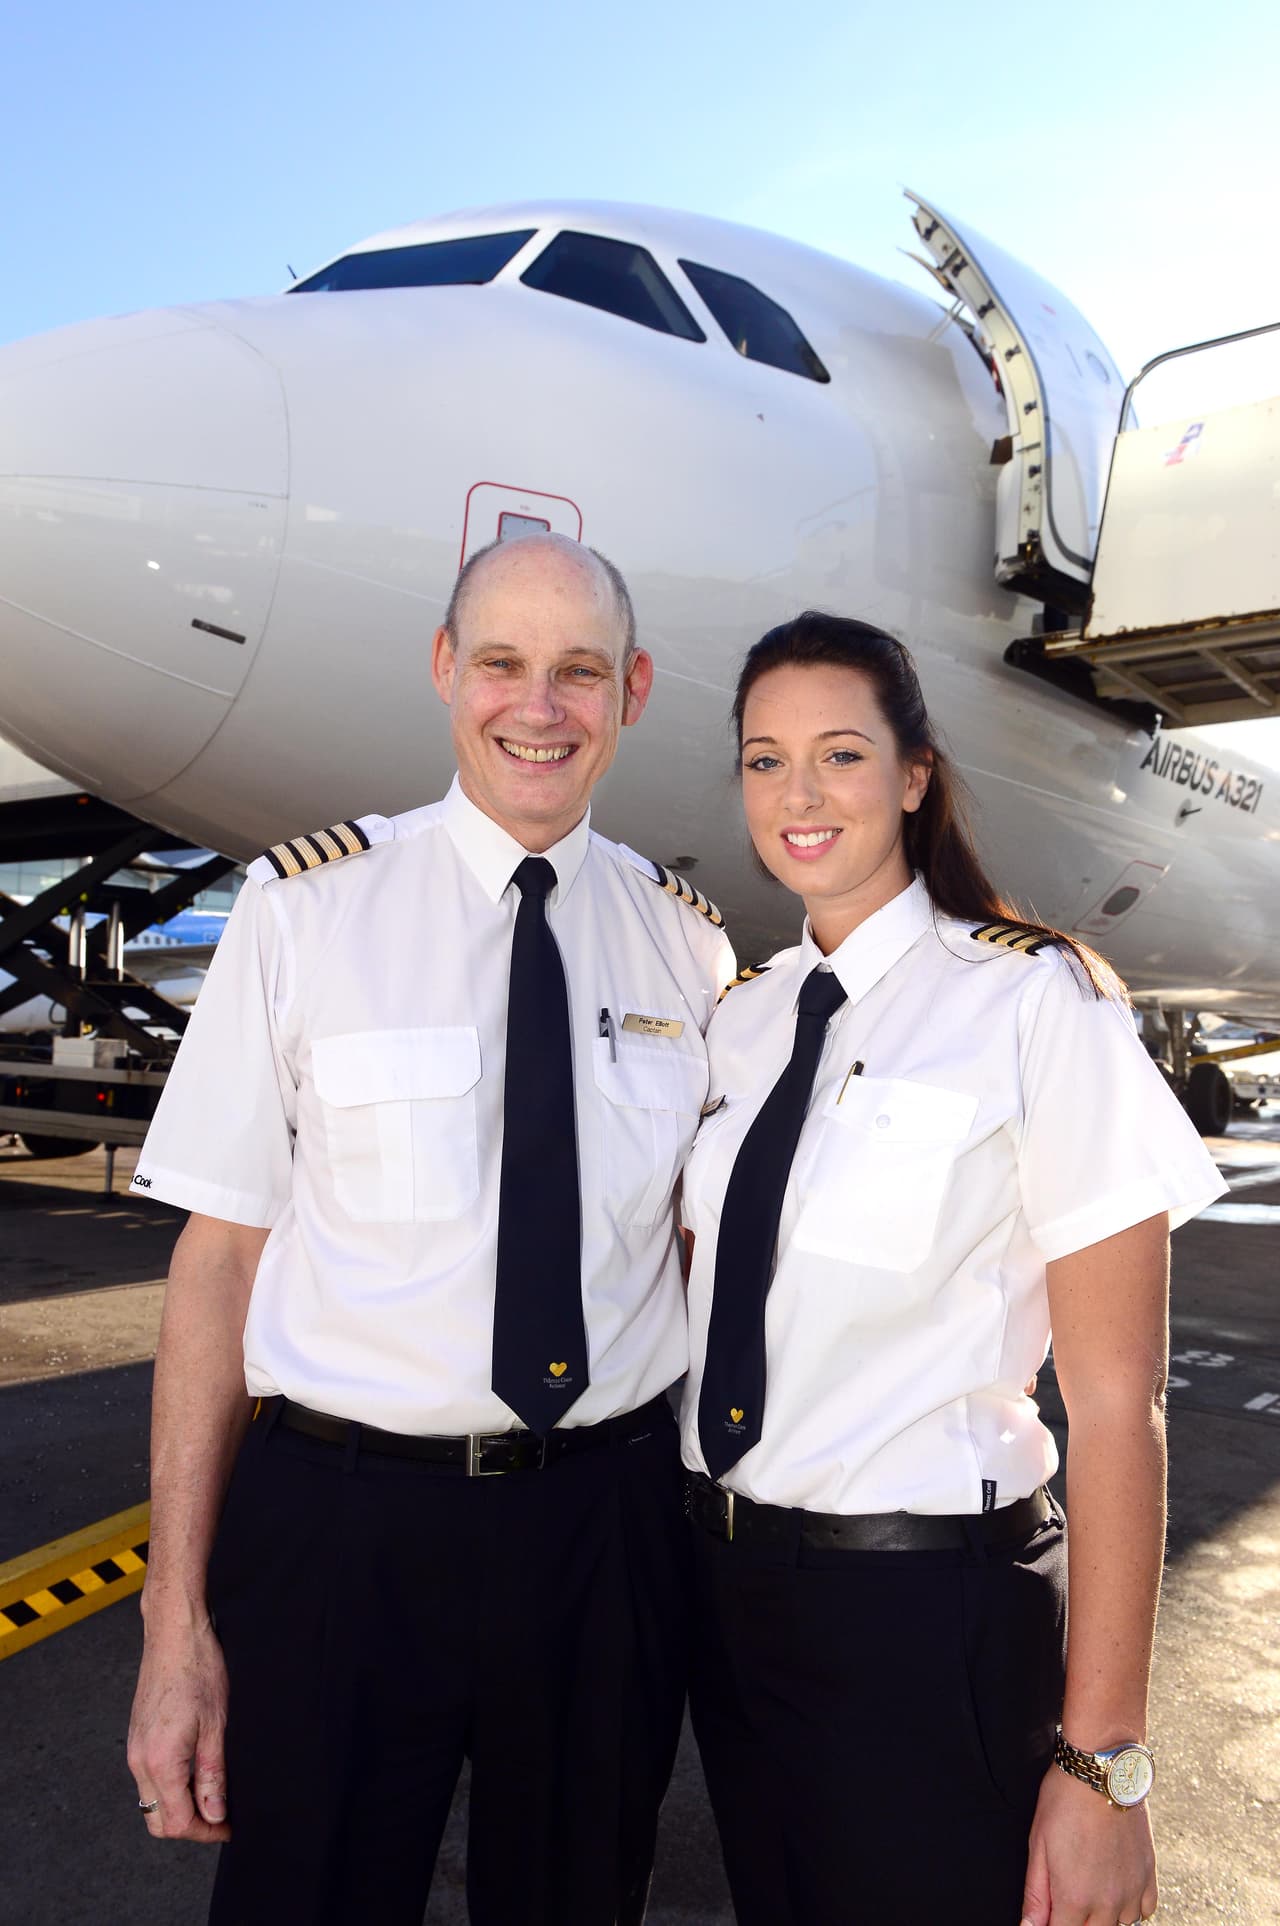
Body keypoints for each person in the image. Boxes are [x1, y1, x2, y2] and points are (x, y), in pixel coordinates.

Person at [125, 532, 735, 1926]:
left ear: (632, 689)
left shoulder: (686, 946)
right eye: (505, 664)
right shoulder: (303, 911)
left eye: (580, 671)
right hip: (343, 1527)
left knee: (581, 1897)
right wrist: (175, 1621)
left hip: (603, 1527)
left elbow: (699, 1256)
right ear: (445, 670)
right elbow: (216, 1265)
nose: (541, 706)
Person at [678, 612, 1224, 1926]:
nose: (798, 795)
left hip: (925, 1615)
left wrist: (1104, 1760)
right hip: (728, 1601)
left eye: (840, 753)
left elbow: (1113, 1406)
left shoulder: (1036, 1004)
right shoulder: (740, 1018)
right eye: (765, 760)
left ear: (915, 772)